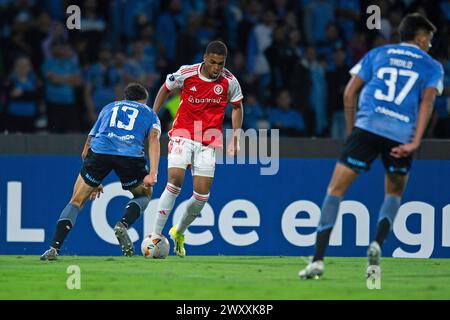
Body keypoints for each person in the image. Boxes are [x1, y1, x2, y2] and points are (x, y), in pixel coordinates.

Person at [299, 13, 444, 279]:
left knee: (335, 189)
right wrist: (414, 141)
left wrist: (352, 129)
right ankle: (377, 242)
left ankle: (318, 261)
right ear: (421, 37)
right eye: (430, 40)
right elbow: (427, 103)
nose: (430, 45)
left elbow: (348, 93)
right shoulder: (432, 66)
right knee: (394, 194)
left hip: (367, 127)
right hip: (401, 133)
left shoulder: (378, 54)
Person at [40, 82, 161, 260]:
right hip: (130, 156)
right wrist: (153, 173)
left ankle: (53, 248)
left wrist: (94, 182)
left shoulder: (109, 108)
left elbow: (86, 149)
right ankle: (123, 224)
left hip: (100, 152)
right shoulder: (150, 113)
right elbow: (153, 138)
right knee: (144, 195)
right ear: (144, 101)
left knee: (76, 201)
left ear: (125, 97)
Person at [150, 40, 244, 257]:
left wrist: (236, 137)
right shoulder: (187, 73)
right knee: (175, 181)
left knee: (201, 197)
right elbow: (165, 89)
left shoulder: (230, 81)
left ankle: (178, 232)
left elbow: (237, 107)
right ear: (205, 58)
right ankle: (155, 235)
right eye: (213, 62)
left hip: (208, 142)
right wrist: (152, 117)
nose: (217, 68)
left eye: (220, 63)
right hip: (182, 133)